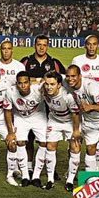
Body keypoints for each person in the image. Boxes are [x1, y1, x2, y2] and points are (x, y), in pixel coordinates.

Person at [20, 35, 65, 179]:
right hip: (29, 107)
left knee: (47, 139)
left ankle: (50, 169)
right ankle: (29, 168)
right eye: (39, 44)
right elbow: (19, 80)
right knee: (28, 139)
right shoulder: (26, 61)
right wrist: (40, 80)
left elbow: (62, 82)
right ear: (34, 45)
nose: (41, 47)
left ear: (47, 46)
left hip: (49, 108)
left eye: (44, 45)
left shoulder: (54, 63)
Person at [65, 65, 99, 174]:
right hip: (90, 120)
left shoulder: (91, 86)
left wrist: (91, 107)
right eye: (68, 76)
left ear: (80, 76)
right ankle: (91, 179)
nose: (70, 79)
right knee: (90, 149)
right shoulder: (67, 83)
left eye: (73, 76)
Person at [71, 35, 99, 167]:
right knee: (77, 139)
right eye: (89, 44)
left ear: (98, 46)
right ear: (85, 45)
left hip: (97, 105)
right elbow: (72, 81)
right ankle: (71, 170)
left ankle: (98, 177)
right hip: (81, 105)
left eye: (94, 44)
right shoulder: (77, 60)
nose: (91, 47)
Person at [0, 41, 25, 177]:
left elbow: (22, 84)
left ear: (12, 50)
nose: (6, 51)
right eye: (4, 49)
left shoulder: (19, 66)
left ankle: (15, 168)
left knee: (14, 136)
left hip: (13, 108)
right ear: (0, 50)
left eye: (9, 49)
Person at [3, 71, 47, 187]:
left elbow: (53, 81)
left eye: (26, 82)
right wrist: (11, 132)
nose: (23, 85)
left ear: (30, 83)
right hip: (21, 118)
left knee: (44, 143)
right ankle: (25, 176)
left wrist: (39, 80)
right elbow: (7, 111)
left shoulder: (38, 89)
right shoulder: (10, 92)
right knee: (20, 143)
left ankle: (36, 176)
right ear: (16, 84)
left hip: (39, 117)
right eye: (20, 83)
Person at [41, 71, 81, 191]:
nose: (49, 87)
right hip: (54, 120)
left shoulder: (67, 96)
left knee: (75, 147)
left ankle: (69, 181)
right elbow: (33, 83)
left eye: (52, 84)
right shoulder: (43, 89)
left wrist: (75, 131)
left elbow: (75, 114)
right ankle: (50, 180)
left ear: (59, 85)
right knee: (50, 146)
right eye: (47, 84)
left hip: (70, 121)